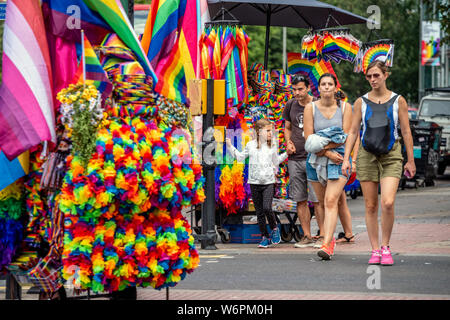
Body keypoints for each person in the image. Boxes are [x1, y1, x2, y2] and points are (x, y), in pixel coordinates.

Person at [341, 60, 416, 266]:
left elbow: (406, 131)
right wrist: (347, 158)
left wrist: (410, 160)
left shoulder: (398, 100)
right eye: (369, 76)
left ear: (385, 75)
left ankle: (386, 246)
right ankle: (375, 249)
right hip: (367, 154)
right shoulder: (361, 102)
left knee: (388, 202)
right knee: (371, 205)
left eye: (376, 75)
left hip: (392, 154)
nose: (373, 80)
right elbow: (354, 131)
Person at [303, 73, 352, 260]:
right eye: (323, 84)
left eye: (330, 84)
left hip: (339, 159)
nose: (326, 87)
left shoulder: (346, 107)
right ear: (319, 88)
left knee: (331, 200)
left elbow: (348, 136)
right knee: (322, 203)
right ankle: (329, 238)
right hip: (315, 159)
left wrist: (347, 159)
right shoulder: (310, 108)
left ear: (335, 87)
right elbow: (309, 140)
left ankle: (327, 244)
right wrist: (327, 151)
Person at [226, 118, 287, 248]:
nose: (271, 133)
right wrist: (230, 146)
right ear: (259, 132)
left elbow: (276, 161)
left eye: (271, 130)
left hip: (268, 182)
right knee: (259, 212)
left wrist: (287, 153)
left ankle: (274, 228)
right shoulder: (250, 145)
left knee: (267, 208)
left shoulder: (273, 145)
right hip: (254, 182)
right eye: (268, 130)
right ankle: (265, 237)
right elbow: (240, 157)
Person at [283, 75, 324, 248]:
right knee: (300, 199)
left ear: (308, 88)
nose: (297, 93)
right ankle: (306, 235)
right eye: (294, 89)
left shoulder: (317, 104)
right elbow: (287, 127)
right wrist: (288, 141)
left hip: (314, 158)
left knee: (317, 200)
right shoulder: (290, 105)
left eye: (300, 89)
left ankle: (322, 235)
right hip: (295, 159)